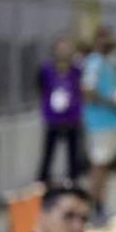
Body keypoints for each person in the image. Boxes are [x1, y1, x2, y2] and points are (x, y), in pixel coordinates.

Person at [81, 27, 116, 222]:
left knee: (104, 166)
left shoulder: (108, 62)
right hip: (98, 123)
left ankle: (101, 204)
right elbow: (88, 90)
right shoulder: (94, 63)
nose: (106, 42)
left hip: (110, 121)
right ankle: (90, 210)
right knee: (98, 166)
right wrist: (112, 102)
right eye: (102, 38)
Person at [36, 36, 85, 183]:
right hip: (53, 119)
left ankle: (73, 182)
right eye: (60, 48)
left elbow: (81, 89)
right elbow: (40, 88)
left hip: (72, 118)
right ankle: (43, 182)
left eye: (66, 48)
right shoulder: (46, 69)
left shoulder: (76, 70)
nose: (63, 52)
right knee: (48, 153)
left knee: (73, 154)